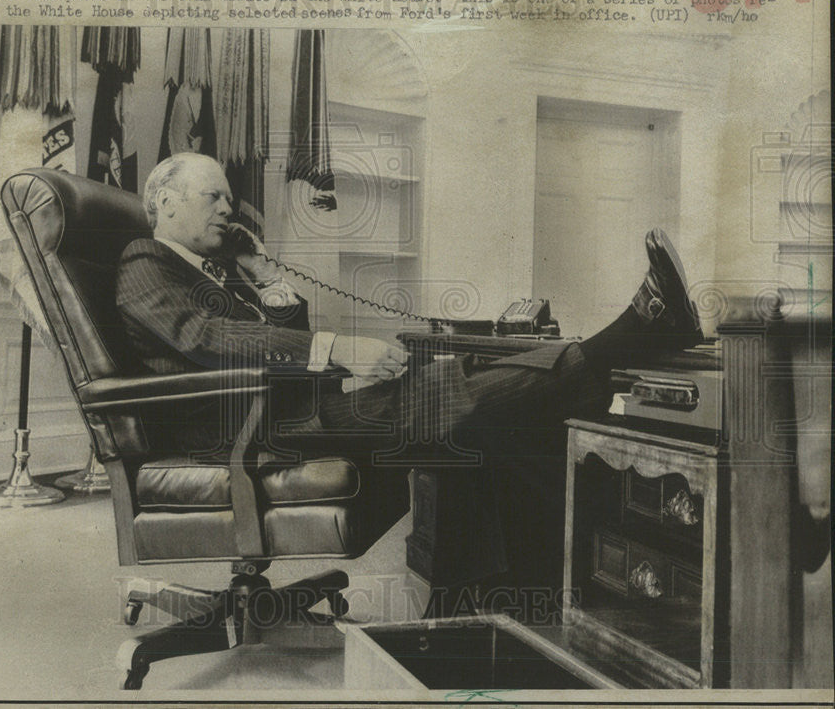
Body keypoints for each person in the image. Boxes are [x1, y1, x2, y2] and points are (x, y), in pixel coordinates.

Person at [115, 152, 703, 595]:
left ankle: (495, 588)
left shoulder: (217, 267)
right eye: (213, 197)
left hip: (281, 413)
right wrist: (337, 346)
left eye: (227, 199)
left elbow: (285, 318)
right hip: (235, 433)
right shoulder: (145, 260)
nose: (228, 208)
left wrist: (255, 263)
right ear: (165, 201)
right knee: (438, 401)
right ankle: (630, 336)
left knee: (455, 386)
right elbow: (205, 338)